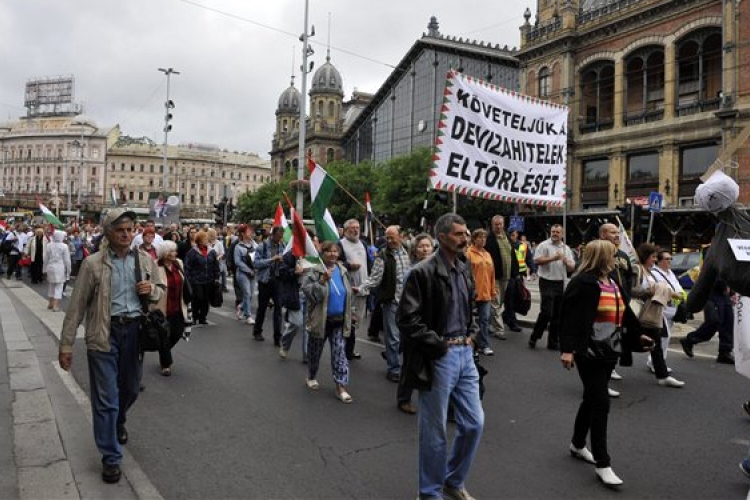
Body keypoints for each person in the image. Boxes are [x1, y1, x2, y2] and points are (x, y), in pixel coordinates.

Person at [58, 208, 164, 484]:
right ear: (108, 233)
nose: (127, 234)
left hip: (134, 333)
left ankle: (118, 421)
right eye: (120, 230)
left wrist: (151, 291)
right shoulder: (93, 264)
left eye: (130, 229)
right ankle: (111, 458)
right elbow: (77, 306)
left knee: (129, 389)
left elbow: (160, 290)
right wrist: (66, 344)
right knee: (106, 400)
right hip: (104, 334)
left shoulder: (144, 260)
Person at [397, 213, 483, 500]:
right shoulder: (421, 272)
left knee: (474, 423)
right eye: (459, 234)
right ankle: (430, 492)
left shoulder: (463, 267)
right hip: (440, 355)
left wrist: (473, 332)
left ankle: (453, 481)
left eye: (466, 232)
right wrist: (439, 345)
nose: (465, 238)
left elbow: (470, 307)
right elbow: (408, 320)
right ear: (442, 237)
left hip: (465, 354)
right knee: (434, 432)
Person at [559, 240, 655, 487]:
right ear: (601, 257)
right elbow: (567, 317)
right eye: (613, 255)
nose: (617, 259)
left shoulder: (612, 281)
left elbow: (626, 313)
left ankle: (577, 444)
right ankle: (603, 463)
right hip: (587, 351)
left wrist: (638, 335)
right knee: (601, 402)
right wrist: (567, 349)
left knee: (591, 399)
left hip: (609, 349)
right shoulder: (582, 283)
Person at [301, 241, 354, 403]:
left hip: (339, 320)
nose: (333, 254)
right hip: (321, 321)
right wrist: (322, 281)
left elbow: (347, 293)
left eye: (335, 251)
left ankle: (341, 387)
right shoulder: (314, 271)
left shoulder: (343, 270)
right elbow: (309, 294)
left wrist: (352, 312)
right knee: (315, 352)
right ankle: (311, 375)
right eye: (329, 251)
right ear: (322, 253)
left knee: (339, 353)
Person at [358, 225, 412, 382]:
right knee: (393, 337)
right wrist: (360, 289)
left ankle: (391, 353)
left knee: (406, 337)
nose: (389, 240)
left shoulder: (410, 252)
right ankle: (393, 368)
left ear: (401, 236)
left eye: (392, 237)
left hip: (409, 303)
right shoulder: (382, 255)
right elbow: (374, 278)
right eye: (387, 238)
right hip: (392, 301)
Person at [632, 243, 685, 387]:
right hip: (639, 313)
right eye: (653, 257)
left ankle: (662, 376)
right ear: (645, 257)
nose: (654, 260)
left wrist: (675, 295)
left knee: (657, 345)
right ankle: (608, 370)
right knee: (626, 342)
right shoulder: (637, 270)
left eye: (656, 257)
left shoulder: (650, 272)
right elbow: (631, 291)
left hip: (653, 312)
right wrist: (651, 292)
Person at [395, 232, 436, 415]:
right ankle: (404, 398)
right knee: (411, 363)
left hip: (432, 323)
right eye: (421, 246)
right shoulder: (413, 272)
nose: (425, 249)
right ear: (415, 250)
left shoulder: (437, 268)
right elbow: (406, 301)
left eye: (427, 245)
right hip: (414, 324)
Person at [598, 223, 635, 395]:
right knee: (604, 338)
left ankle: (610, 367)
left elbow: (629, 277)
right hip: (605, 304)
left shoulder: (622, 255)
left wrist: (628, 295)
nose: (617, 235)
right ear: (603, 234)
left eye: (617, 232)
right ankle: (599, 380)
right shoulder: (598, 252)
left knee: (618, 337)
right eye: (613, 232)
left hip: (622, 303)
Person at [529, 224, 575, 349]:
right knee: (547, 312)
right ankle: (535, 336)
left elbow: (572, 267)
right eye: (553, 232)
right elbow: (536, 261)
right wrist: (553, 258)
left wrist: (565, 260)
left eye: (557, 232)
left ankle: (553, 341)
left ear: (562, 234)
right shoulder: (543, 245)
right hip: (546, 281)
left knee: (557, 314)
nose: (555, 234)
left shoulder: (566, 248)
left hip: (560, 282)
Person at [154, 240, 192, 376]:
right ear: (164, 254)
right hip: (162, 307)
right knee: (164, 335)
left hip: (178, 305)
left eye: (175, 251)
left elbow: (184, 280)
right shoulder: (155, 266)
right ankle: (166, 364)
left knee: (177, 332)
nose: (174, 253)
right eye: (171, 251)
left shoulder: (179, 264)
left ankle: (163, 350)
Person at [337, 219, 373, 360]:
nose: (355, 230)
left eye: (357, 227)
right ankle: (345, 350)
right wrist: (349, 265)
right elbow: (335, 262)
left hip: (363, 289)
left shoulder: (363, 244)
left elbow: (369, 263)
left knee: (356, 321)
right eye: (352, 228)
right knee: (349, 321)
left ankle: (349, 349)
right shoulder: (341, 244)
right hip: (349, 289)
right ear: (346, 230)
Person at [680, 279, 734, 364]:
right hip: (711, 292)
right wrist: (724, 286)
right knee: (713, 321)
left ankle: (725, 352)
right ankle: (690, 340)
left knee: (728, 321)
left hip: (724, 293)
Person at [649, 249, 687, 371]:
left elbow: (678, 287)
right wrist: (674, 294)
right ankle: (657, 363)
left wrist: (682, 295)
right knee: (664, 336)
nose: (670, 261)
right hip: (661, 309)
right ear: (659, 261)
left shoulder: (670, 272)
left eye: (671, 258)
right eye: (667, 259)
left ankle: (657, 362)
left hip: (672, 309)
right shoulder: (654, 273)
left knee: (665, 337)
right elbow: (661, 290)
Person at [484, 215, 517, 338]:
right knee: (496, 302)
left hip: (507, 276)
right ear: (492, 225)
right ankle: (499, 329)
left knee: (500, 302)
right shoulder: (488, 239)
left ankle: (490, 324)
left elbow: (512, 255)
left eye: (500, 224)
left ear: (503, 224)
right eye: (496, 224)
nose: (498, 226)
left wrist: (516, 273)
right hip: (495, 276)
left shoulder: (507, 237)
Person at [466, 228, 497, 356]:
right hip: (473, 293)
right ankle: (471, 345)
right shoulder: (469, 253)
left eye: (484, 238)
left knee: (484, 320)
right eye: (480, 237)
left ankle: (483, 345)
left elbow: (492, 274)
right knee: (470, 322)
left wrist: (493, 290)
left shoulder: (487, 254)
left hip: (486, 294)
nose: (483, 240)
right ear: (474, 239)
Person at [253, 226, 286, 344]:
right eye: (278, 236)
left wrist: (283, 262)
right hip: (265, 281)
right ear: (273, 235)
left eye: (281, 237)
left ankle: (278, 337)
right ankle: (257, 331)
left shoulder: (283, 246)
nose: (279, 239)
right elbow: (256, 263)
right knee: (262, 307)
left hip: (277, 280)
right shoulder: (262, 246)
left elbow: (285, 263)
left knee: (278, 309)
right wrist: (272, 259)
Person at [184, 230, 220, 325]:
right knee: (198, 298)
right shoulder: (192, 252)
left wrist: (217, 277)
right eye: (204, 238)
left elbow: (216, 265)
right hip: (196, 280)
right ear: (199, 240)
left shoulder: (211, 251)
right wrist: (189, 279)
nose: (207, 240)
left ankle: (203, 317)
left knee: (206, 299)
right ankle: (194, 316)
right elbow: (187, 267)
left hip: (209, 280)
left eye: (207, 238)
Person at [233, 224, 257, 325]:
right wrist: (248, 270)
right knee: (247, 293)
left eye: (251, 231)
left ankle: (241, 306)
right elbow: (238, 262)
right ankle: (248, 316)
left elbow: (259, 255)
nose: (251, 233)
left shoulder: (255, 244)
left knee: (250, 295)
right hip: (243, 274)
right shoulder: (238, 247)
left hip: (253, 272)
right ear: (242, 234)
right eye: (248, 231)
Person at [43, 230, 71, 311]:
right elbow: (67, 260)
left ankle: (50, 303)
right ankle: (55, 305)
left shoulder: (49, 245)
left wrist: (44, 269)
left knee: (51, 285)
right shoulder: (64, 246)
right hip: (60, 267)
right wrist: (69, 270)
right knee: (59, 286)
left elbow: (45, 259)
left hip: (50, 267)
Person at [207, 228, 228, 292]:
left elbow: (222, 252)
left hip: (218, 264)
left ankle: (220, 289)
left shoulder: (219, 243)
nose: (213, 237)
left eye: (214, 235)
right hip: (208, 265)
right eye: (211, 235)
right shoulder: (206, 243)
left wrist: (218, 258)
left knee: (218, 279)